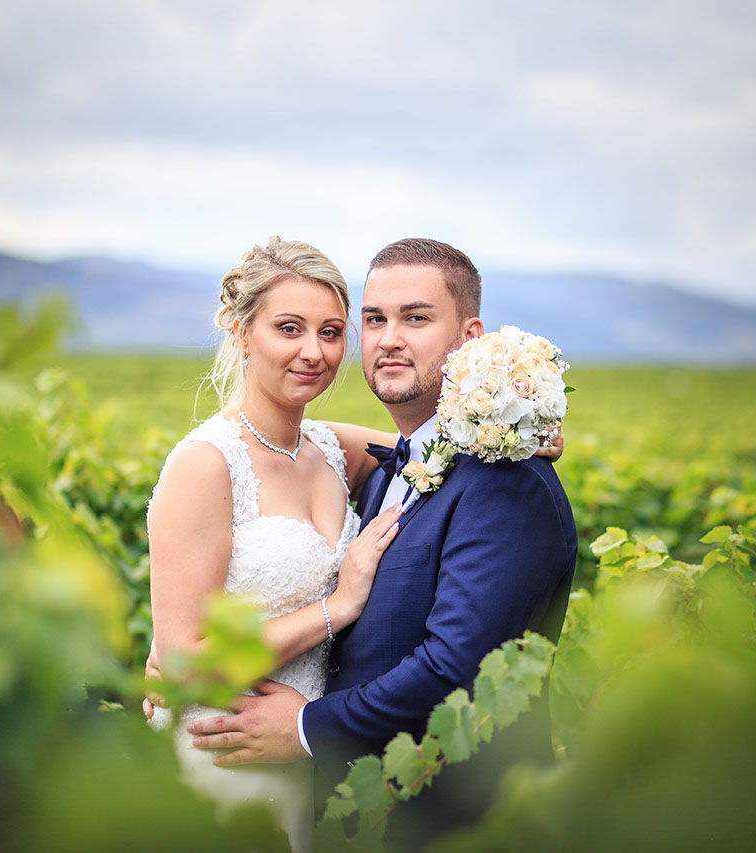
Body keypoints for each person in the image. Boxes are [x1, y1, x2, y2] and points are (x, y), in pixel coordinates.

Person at [183, 238, 579, 848]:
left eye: (415, 318)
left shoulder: (506, 478)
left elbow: (457, 666)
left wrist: (309, 727)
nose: (389, 338)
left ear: (471, 338)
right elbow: (271, 438)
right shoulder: (384, 465)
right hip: (343, 808)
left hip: (456, 821)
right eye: (374, 320)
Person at [143, 236, 403, 852]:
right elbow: (182, 666)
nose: (314, 352)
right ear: (241, 331)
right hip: (225, 747)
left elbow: (448, 439)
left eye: (332, 332)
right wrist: (336, 608)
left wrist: (532, 428)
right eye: (290, 328)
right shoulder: (206, 464)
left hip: (304, 747)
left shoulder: (335, 449)